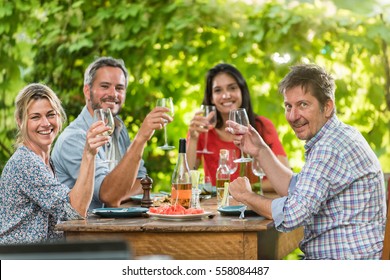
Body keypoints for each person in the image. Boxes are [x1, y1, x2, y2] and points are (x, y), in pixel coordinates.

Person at [227, 64, 386, 259]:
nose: (293, 116)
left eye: (303, 104)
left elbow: (292, 215)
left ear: (327, 107)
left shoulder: (329, 147)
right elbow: (297, 189)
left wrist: (246, 196)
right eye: (288, 106)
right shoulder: (339, 135)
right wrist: (260, 150)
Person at [52, 57, 172, 209]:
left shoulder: (119, 129)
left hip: (113, 226)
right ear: (87, 91)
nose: (113, 94)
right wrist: (141, 138)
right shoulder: (74, 139)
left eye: (119, 88)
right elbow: (107, 194)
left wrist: (117, 197)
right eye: (105, 86)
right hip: (83, 230)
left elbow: (142, 182)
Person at [0, 83, 108, 244]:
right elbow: (76, 211)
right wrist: (89, 153)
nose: (45, 123)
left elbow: (70, 210)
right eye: (35, 117)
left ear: (59, 116)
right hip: (21, 261)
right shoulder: (26, 163)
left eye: (51, 114)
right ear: (20, 121)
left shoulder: (45, 162)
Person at [186, 63, 289, 188]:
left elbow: (287, 179)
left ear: (242, 91)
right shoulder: (203, 130)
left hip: (259, 202)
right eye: (218, 90)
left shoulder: (262, 126)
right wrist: (193, 139)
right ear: (211, 98)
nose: (226, 95)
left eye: (232, 88)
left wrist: (239, 190)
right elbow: (186, 180)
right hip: (218, 205)